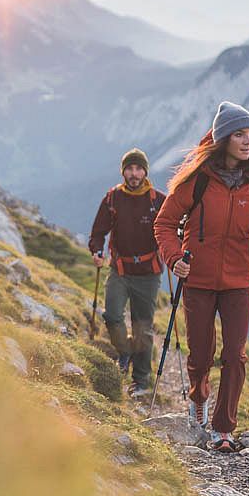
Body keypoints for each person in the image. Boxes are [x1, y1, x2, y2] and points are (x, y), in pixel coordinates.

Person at [154, 102, 249, 452]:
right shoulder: (198, 180)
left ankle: (223, 430)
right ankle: (198, 396)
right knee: (201, 353)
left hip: (240, 281)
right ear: (222, 139)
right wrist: (174, 259)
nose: (248, 142)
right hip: (198, 279)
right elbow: (165, 224)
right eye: (239, 134)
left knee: (235, 354)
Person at [88, 148, 167, 394]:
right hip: (120, 269)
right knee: (112, 314)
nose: (134, 174)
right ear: (123, 171)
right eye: (129, 169)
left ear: (145, 171)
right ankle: (124, 352)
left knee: (143, 326)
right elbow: (98, 232)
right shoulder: (113, 198)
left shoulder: (158, 200)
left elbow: (173, 228)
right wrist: (97, 250)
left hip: (148, 272)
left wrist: (174, 247)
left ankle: (141, 380)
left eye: (138, 169)